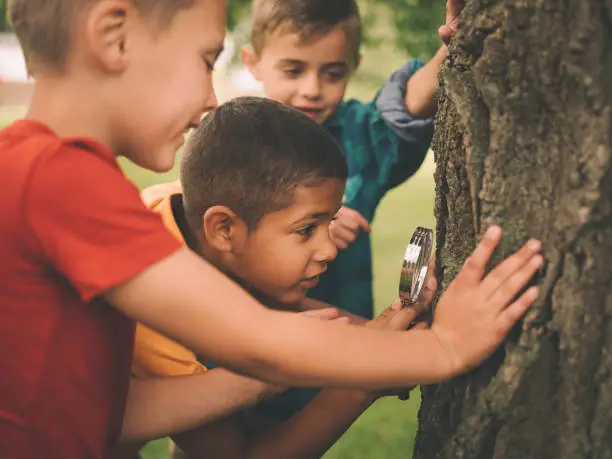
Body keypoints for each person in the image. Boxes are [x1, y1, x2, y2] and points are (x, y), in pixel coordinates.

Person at [0, 0, 543, 456]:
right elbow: (258, 344)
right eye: (206, 58)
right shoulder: (60, 179)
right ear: (114, 38)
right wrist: (445, 348)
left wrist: (357, 355)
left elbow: (113, 410)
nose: (213, 97)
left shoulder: (36, 171)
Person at [115, 96, 437, 459]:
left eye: (329, 222)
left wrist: (392, 342)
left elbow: (272, 301)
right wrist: (357, 385)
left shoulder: (190, 213)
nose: (329, 250)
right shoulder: (154, 321)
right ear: (223, 229)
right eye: (306, 230)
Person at [239, 0, 468, 420]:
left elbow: (402, 112)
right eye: (293, 70)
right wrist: (311, 221)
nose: (312, 88)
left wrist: (456, 44)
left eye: (333, 73)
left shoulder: (356, 139)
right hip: (241, 369)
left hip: (333, 371)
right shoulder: (233, 145)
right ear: (252, 61)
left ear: (354, 65)